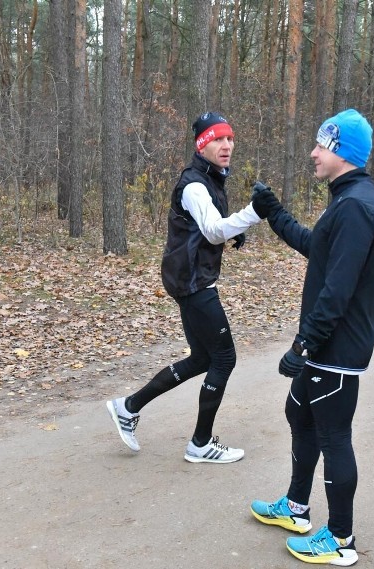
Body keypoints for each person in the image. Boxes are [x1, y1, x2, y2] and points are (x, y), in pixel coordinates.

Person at [248, 109, 374, 566]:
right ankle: (295, 508)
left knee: (333, 435)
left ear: (341, 152)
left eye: (321, 145)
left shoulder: (357, 208)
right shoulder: (347, 200)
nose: (313, 153)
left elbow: (338, 289)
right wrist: (275, 215)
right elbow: (319, 250)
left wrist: (303, 344)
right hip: (325, 344)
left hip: (336, 347)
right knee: (299, 414)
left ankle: (342, 539)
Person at [106, 112, 263, 464]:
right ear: (202, 145)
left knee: (202, 359)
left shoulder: (211, 179)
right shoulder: (194, 184)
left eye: (229, 138)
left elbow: (209, 227)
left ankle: (128, 407)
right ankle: (200, 443)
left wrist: (233, 231)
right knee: (224, 358)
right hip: (193, 283)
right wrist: (254, 212)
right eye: (217, 140)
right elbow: (210, 230)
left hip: (189, 278)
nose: (226, 145)